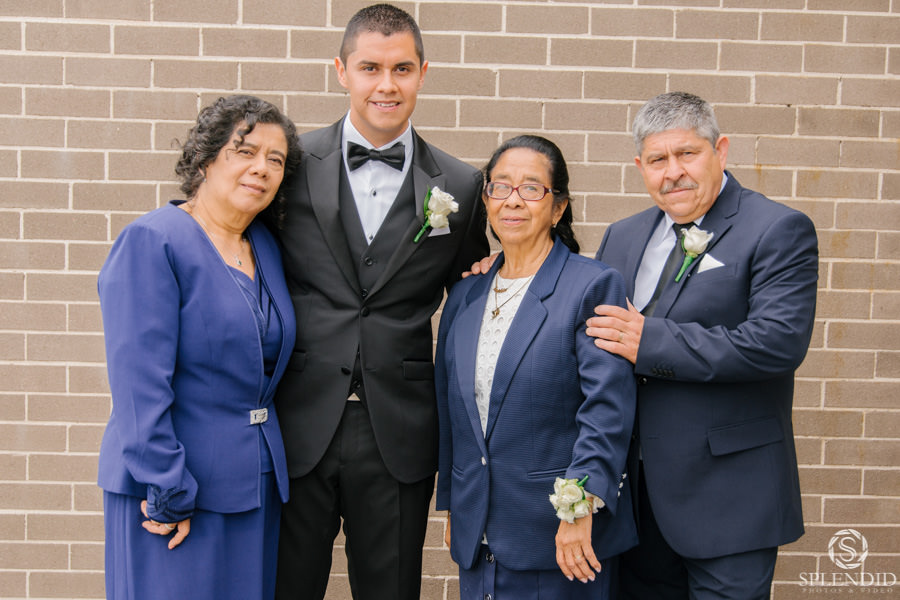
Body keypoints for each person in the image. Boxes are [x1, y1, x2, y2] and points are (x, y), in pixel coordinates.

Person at [273, 5, 489, 600]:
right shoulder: (289, 164)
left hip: (400, 429)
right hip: (298, 422)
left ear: (423, 73)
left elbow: (470, 300)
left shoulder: (462, 185)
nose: (386, 85)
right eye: (370, 68)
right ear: (341, 71)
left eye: (402, 69)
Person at [586, 91, 818, 599]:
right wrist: (500, 271)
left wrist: (651, 341)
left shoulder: (777, 228)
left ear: (721, 150)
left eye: (687, 153)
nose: (673, 172)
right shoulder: (621, 236)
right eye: (657, 160)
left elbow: (776, 342)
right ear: (640, 167)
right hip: (634, 504)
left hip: (729, 498)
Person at [97, 95, 302, 600]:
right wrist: (168, 487)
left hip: (252, 484)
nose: (262, 168)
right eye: (245, 151)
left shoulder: (264, 246)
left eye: (275, 160)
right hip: (173, 488)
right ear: (206, 159)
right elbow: (139, 385)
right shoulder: (153, 241)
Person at [436, 135, 637, 599]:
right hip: (477, 534)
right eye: (500, 186)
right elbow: (452, 414)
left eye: (531, 188)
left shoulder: (591, 286)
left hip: (559, 539)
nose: (513, 200)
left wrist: (578, 510)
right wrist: (453, 505)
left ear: (558, 208)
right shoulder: (465, 295)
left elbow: (607, 409)